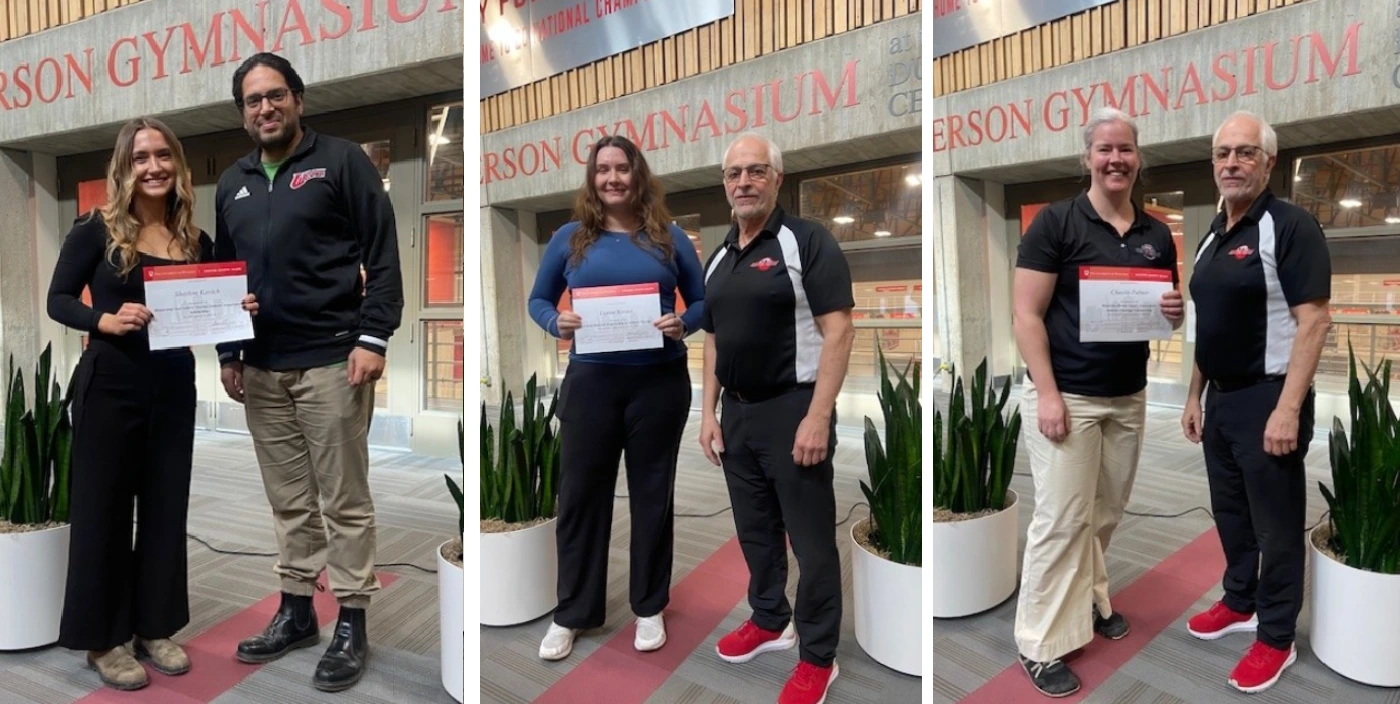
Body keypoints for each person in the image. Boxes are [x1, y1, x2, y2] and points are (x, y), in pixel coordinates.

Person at [212, 52, 404, 693]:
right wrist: (228, 352)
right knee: (288, 500)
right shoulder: (232, 183)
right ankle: (297, 609)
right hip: (262, 368)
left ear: (298, 99)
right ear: (243, 114)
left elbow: (381, 253)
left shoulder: (341, 161)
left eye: (274, 96)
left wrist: (372, 336)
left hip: (333, 359)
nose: (264, 108)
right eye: (252, 101)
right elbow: (224, 276)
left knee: (344, 500)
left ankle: (351, 619)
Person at [47, 116, 257, 691]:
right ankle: (102, 639)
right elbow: (58, 300)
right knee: (104, 512)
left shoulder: (194, 239)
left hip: (171, 386)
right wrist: (103, 320)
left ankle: (155, 626)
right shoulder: (95, 228)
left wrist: (239, 311)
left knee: (166, 507)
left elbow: (214, 309)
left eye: (163, 155)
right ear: (125, 167)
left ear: (178, 165)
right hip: (111, 384)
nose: (154, 167)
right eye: (141, 158)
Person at [1010, 107, 1183, 697]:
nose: (1116, 159)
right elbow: (1026, 314)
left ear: (1139, 158)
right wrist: (1049, 395)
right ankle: (1039, 642)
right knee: (1061, 520)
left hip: (1126, 397)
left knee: (1104, 514)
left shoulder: (1157, 234)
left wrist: (1172, 313)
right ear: (1087, 157)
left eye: (1126, 149)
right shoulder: (1056, 223)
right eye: (1105, 149)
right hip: (1069, 400)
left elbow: (1160, 311)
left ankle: (1089, 599)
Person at [529, 134, 705, 661]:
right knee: (581, 497)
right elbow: (538, 299)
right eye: (603, 170)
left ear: (638, 174)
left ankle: (649, 606)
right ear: (592, 178)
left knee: (654, 495)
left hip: (659, 384)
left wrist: (684, 323)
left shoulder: (670, 237)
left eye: (622, 169)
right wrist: (553, 321)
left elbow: (701, 301)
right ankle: (573, 612)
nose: (612, 179)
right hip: (591, 385)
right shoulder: (568, 238)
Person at [698, 132, 854, 704]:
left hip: (794, 409)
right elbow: (712, 338)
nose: (744, 182)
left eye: (756, 171)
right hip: (735, 417)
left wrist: (818, 416)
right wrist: (708, 411)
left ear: (777, 178)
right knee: (756, 532)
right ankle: (769, 620)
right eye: (735, 173)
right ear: (724, 183)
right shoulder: (719, 255)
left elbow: (840, 332)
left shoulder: (805, 242)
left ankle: (818, 655)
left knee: (811, 545)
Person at [1180, 110, 1331, 694]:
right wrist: (1195, 395)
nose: (1232, 162)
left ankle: (1275, 637)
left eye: (1245, 152)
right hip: (1221, 401)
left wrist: (1288, 409)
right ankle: (1239, 601)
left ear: (1268, 161)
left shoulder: (1290, 226)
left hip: (1271, 398)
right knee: (1231, 514)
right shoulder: (1211, 236)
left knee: (1276, 526)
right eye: (1222, 153)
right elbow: (1207, 325)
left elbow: (1313, 321)